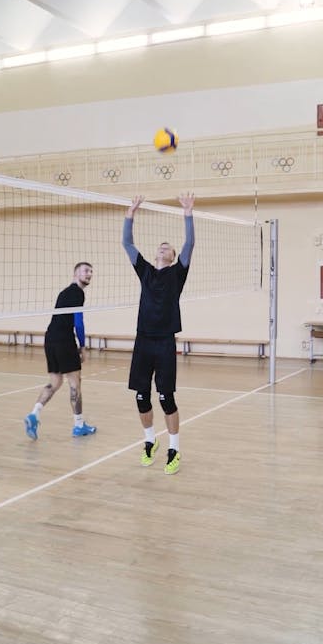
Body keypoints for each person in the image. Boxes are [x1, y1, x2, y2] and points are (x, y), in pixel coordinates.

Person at [122, 193, 195, 474]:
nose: (163, 249)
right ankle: (149, 442)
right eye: (161, 247)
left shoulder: (178, 273)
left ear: (173, 256)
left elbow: (190, 244)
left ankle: (174, 448)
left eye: (168, 248)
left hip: (165, 342)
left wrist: (187, 213)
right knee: (142, 396)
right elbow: (127, 243)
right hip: (143, 340)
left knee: (166, 398)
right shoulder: (146, 272)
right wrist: (130, 214)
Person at [24, 262, 97, 440]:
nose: (89, 274)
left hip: (50, 339)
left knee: (55, 383)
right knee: (75, 384)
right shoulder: (77, 292)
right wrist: (82, 346)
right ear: (75, 273)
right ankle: (79, 425)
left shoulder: (64, 292)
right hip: (64, 340)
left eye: (91, 272)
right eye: (85, 271)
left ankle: (34, 414)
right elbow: (78, 321)